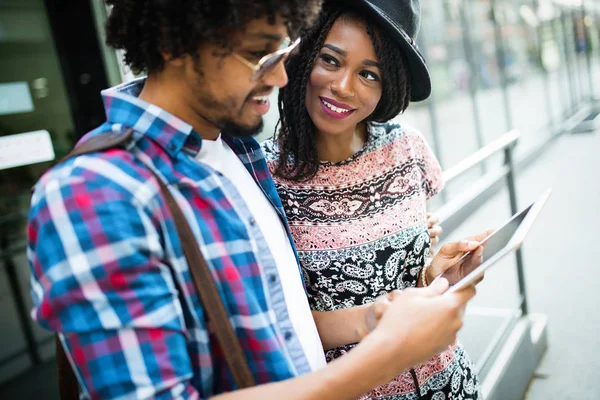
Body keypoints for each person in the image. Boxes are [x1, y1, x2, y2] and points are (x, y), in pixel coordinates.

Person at [28, 1, 484, 399]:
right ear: (173, 41)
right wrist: (388, 356)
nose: (284, 75)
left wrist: (386, 315)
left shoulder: (238, 155)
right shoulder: (94, 191)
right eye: (257, 53)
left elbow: (285, 326)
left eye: (282, 52)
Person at [263, 0, 482, 398]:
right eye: (330, 60)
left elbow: (405, 276)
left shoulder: (407, 149)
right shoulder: (265, 177)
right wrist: (381, 319)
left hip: (448, 382)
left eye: (368, 74)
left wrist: (434, 277)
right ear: (305, 54)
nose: (344, 87)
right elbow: (282, 326)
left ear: (388, 87)